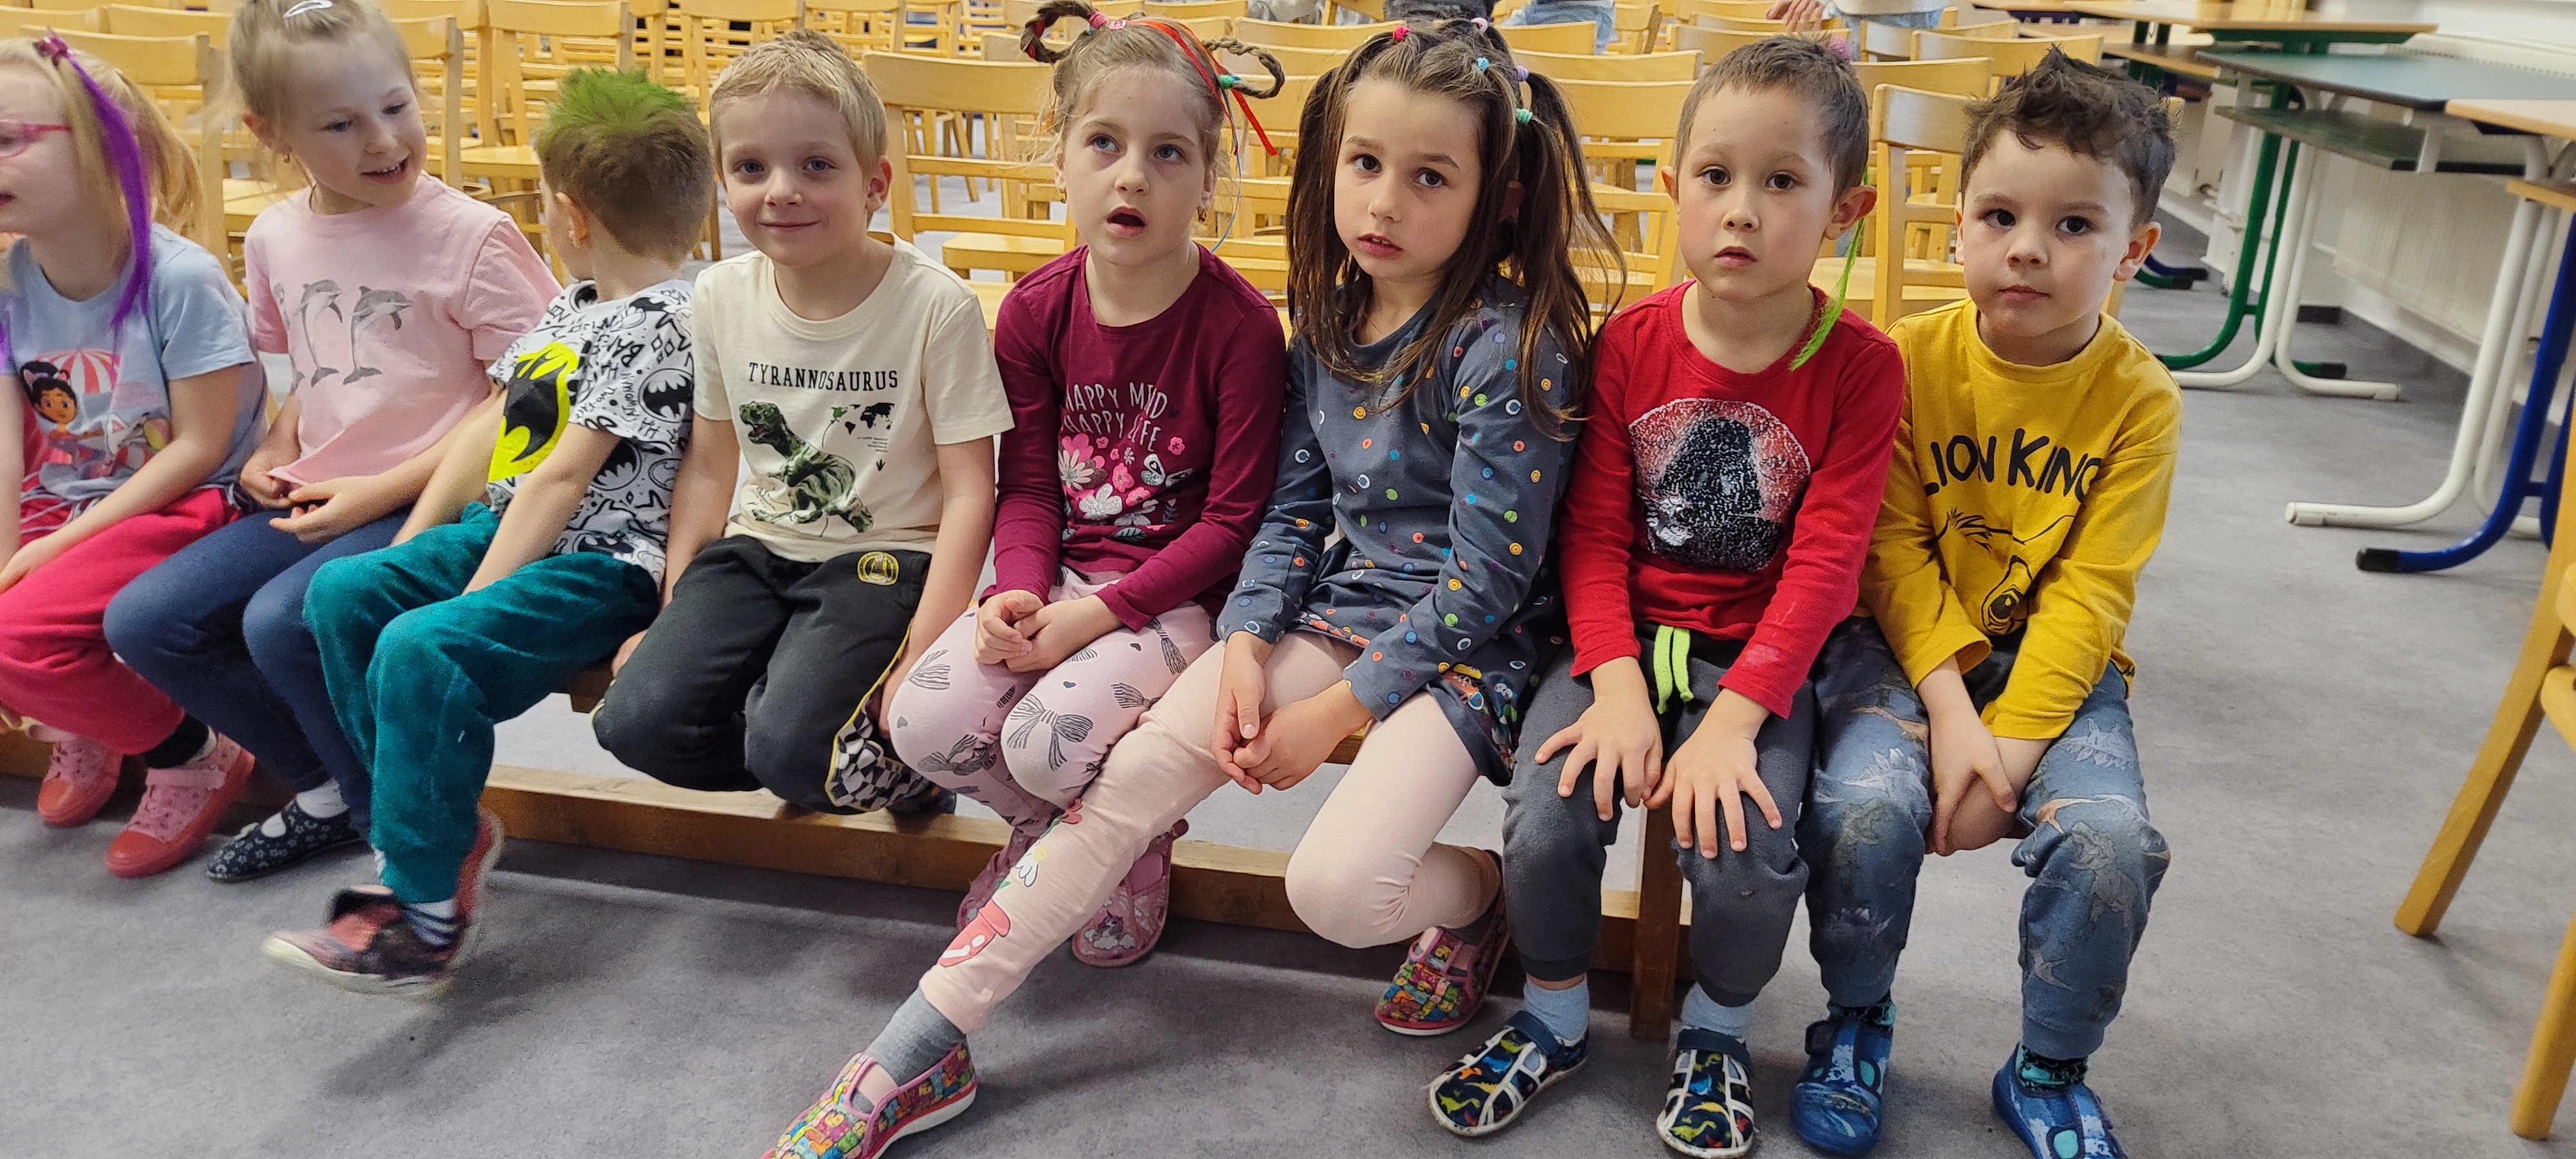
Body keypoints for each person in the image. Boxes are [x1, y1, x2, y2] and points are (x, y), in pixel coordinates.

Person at [757, 19, 1615, 1159]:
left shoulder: (1507, 342)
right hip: (1336, 614)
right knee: (1125, 790)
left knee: (1339, 895)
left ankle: (1480, 898)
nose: (1384, 203)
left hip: (1469, 648)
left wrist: (1332, 711)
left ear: (1495, 197)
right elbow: (1292, 517)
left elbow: (1488, 580)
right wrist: (1248, 649)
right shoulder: (1328, 320)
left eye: (1430, 177)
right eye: (1366, 164)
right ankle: (914, 1051)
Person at [1426, 36, 1901, 1159]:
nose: (1740, 210)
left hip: (1757, 663)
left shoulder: (1863, 367)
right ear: (1674, 185)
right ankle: (1552, 1018)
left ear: (1845, 212)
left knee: (1747, 848)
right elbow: (1590, 535)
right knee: (1548, 818)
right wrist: (1616, 685)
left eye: (1781, 182)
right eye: (1716, 176)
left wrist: (1735, 722)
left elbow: (1827, 567)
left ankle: (1718, 1035)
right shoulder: (1628, 346)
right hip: (1618, 644)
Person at [1796, 50, 2178, 1159]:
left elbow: (2092, 594)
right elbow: (1889, 554)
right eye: (2001, 216)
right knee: (1863, 811)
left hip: (2059, 671)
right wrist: (1954, 715)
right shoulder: (1902, 361)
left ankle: (2049, 1068)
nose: (2027, 248)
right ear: (1958, 225)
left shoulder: (2142, 404)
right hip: (1901, 654)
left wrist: (2005, 755)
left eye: (2074, 225)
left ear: (2135, 251)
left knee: (2110, 843)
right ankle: (1854, 1022)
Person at [260, 68, 715, 996]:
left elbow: (563, 478)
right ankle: (439, 832)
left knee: (423, 646)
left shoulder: (664, 319)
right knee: (344, 594)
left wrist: (469, 600)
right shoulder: (574, 303)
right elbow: (496, 425)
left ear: (572, 213)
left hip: (600, 564)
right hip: (508, 529)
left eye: (544, 203)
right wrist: (407, 549)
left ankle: (425, 918)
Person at [105, 0, 558, 883]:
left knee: (286, 619)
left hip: (439, 499)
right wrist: (275, 446)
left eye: (396, 107)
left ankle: (399, 823)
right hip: (321, 489)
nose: (384, 140)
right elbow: (314, 371)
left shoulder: (474, 237)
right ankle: (325, 790)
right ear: (270, 134)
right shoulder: (278, 233)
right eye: (341, 125)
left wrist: (380, 495)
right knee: (147, 620)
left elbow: (532, 401)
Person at [885, 1, 1288, 966]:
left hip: (1178, 599)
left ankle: (1127, 847)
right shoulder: (1033, 312)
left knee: (1045, 744)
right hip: (1062, 578)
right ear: (1060, 157)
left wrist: (1095, 616)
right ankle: (1068, 843)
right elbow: (1028, 488)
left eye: (1168, 153)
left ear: (1208, 179)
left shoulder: (1239, 328)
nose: (1131, 175)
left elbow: (1233, 524)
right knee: (921, 723)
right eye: (1104, 143)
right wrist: (1018, 592)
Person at [592, 31, 1009, 817]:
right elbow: (710, 466)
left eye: (816, 166)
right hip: (756, 550)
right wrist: (673, 614)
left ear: (874, 183)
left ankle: (902, 769)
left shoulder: (935, 305)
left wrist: (922, 654)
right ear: (723, 182)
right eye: (751, 168)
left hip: (884, 560)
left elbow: (969, 493)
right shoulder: (718, 295)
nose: (781, 190)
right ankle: (793, 734)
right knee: (636, 722)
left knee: (792, 747)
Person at [0, 35, 269, 877]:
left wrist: (51, 551)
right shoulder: (11, 278)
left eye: (9, 138)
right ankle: (84, 715)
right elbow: (7, 445)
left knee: (17, 636)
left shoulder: (179, 279)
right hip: (67, 493)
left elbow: (200, 447)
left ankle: (191, 751)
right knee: (10, 617)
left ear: (103, 153)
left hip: (185, 501)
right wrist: (9, 555)